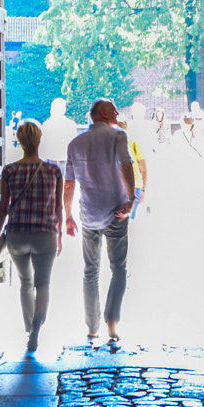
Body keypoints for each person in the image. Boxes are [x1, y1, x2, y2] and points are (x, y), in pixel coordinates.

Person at [64, 98, 137, 347]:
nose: (118, 113)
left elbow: (70, 183)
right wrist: (132, 198)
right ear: (105, 114)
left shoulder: (75, 144)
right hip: (116, 210)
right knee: (118, 268)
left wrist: (68, 215)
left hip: (89, 214)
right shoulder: (118, 135)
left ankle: (92, 327)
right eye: (115, 110)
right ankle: (112, 321)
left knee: (90, 271)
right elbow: (127, 165)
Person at [0, 119, 64, 353]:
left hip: (17, 234)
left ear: (20, 142)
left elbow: (3, 207)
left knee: (25, 283)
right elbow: (58, 208)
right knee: (43, 284)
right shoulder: (54, 171)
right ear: (39, 140)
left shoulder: (10, 171)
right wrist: (60, 234)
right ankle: (36, 329)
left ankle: (28, 328)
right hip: (45, 234)